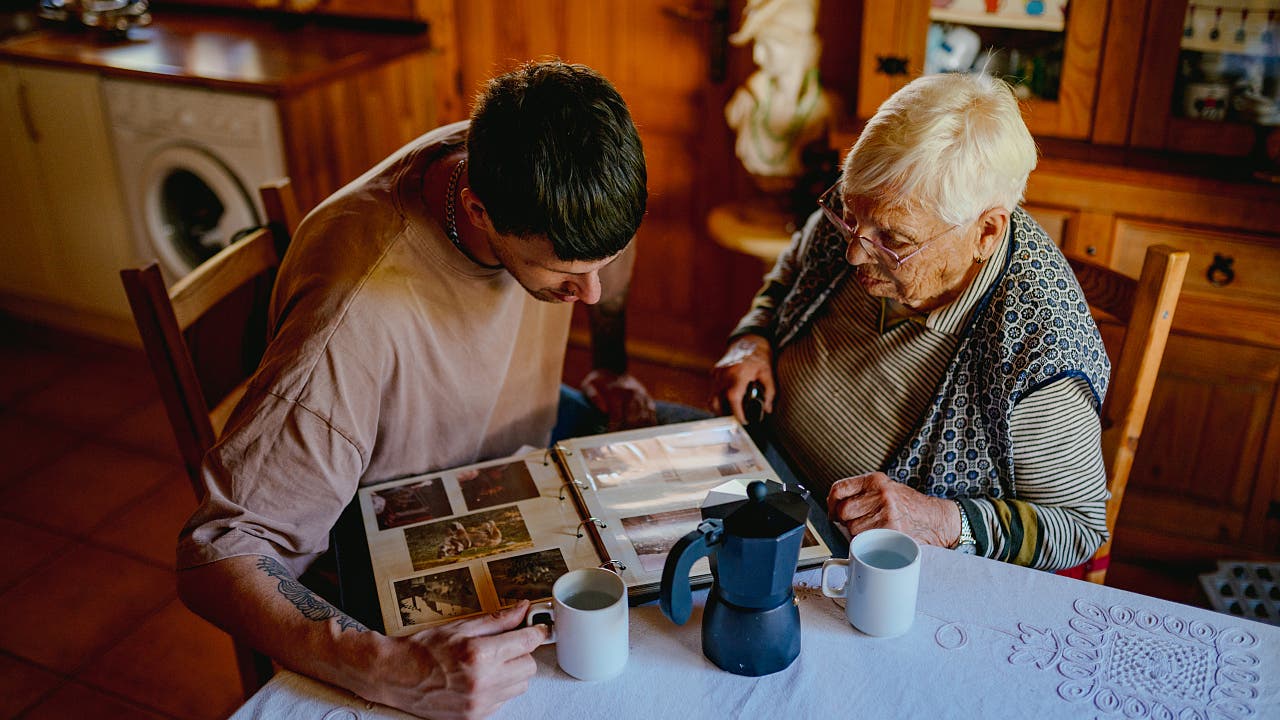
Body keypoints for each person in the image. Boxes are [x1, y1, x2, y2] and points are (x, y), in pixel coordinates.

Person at [177, 61, 655, 719]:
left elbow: (605, 260)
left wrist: (611, 364)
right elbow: (218, 552)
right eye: (566, 275)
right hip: (389, 539)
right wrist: (390, 669)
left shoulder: (535, 159)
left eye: (602, 263)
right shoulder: (354, 315)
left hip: (516, 446)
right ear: (478, 211)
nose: (591, 293)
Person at [711, 72, 1111, 572]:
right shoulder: (874, 205)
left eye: (894, 241)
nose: (854, 253)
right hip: (757, 460)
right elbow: (790, 270)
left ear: (985, 232)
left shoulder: (1038, 349)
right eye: (849, 217)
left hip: (859, 561)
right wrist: (753, 337)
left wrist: (944, 520)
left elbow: (1079, 527)